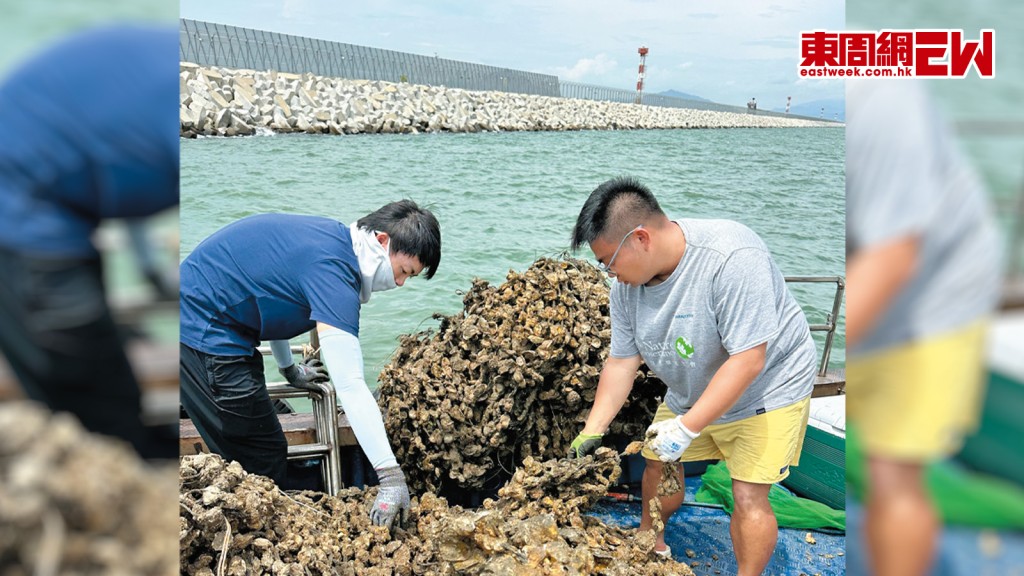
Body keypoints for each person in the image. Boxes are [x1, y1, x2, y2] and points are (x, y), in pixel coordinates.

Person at [567, 177, 816, 576]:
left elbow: (749, 358)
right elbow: (621, 362)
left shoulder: (731, 256)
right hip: (692, 388)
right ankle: (652, 544)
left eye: (608, 263)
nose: (610, 275)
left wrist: (686, 428)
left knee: (748, 493)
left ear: (641, 238)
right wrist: (592, 430)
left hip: (767, 387)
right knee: (656, 462)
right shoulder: (626, 290)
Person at [179, 202, 441, 528]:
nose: (401, 283)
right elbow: (350, 385)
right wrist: (389, 477)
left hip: (217, 317)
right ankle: (254, 540)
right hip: (203, 326)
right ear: (383, 241)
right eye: (405, 271)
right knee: (262, 454)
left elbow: (274, 295)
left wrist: (289, 368)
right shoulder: (334, 273)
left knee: (259, 435)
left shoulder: (334, 240)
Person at [846, 78, 1002, 576]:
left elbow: (893, 256)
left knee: (892, 471)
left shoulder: (884, 101)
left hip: (935, 298)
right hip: (866, 277)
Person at [0, 25, 179, 459]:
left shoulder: (159, 86)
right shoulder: (170, 104)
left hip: (57, 209)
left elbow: (118, 151)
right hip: (24, 214)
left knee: (101, 398)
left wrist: (153, 269)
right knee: (99, 413)